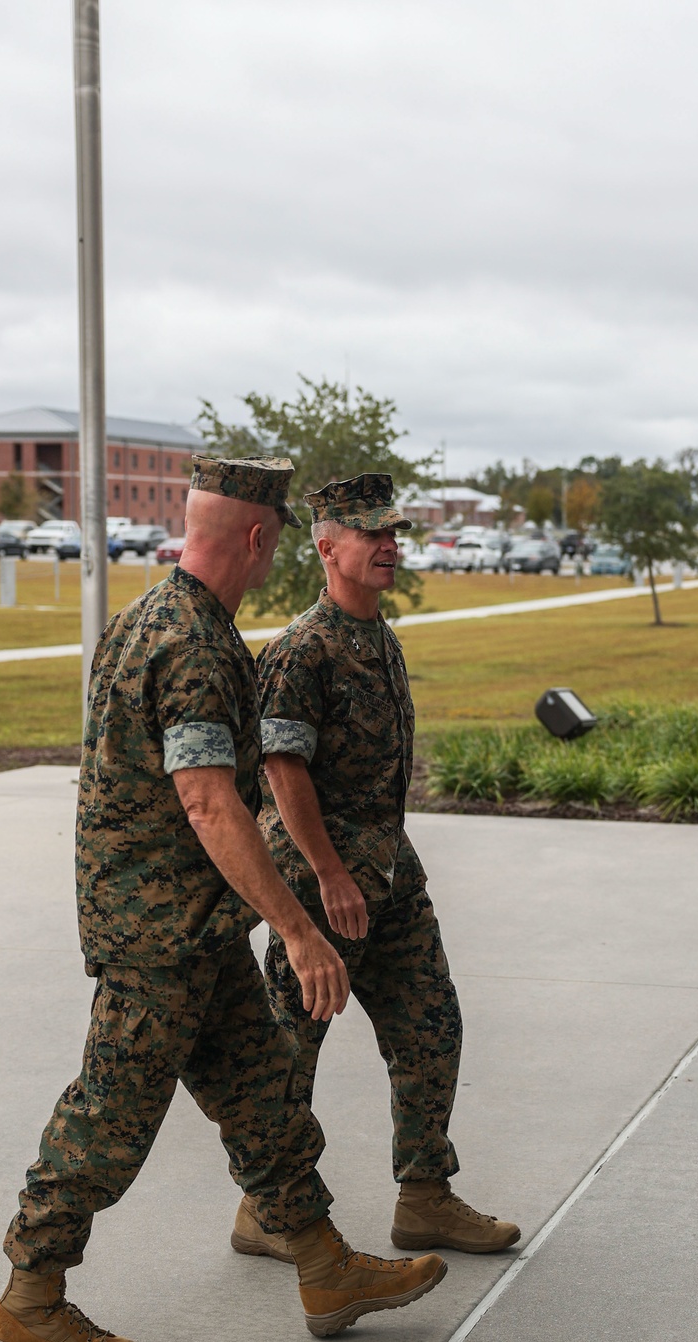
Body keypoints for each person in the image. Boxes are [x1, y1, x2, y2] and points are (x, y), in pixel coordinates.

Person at [0, 456, 446, 1342]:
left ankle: (325, 1268)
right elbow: (208, 805)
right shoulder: (192, 644)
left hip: (194, 926)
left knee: (265, 1097)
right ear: (262, 539)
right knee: (109, 1116)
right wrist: (302, 929)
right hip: (156, 937)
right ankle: (30, 1299)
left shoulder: (164, 615)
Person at [230, 472, 520, 1266]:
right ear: (328, 547)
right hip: (322, 883)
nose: (390, 546)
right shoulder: (302, 649)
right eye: (372, 534)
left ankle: (425, 1196)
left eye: (394, 533)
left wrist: (374, 866)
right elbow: (283, 771)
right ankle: (266, 1207)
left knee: (432, 1023)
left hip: (390, 872)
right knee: (293, 1044)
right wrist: (327, 876)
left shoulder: (379, 637)